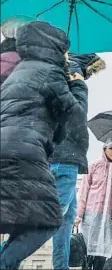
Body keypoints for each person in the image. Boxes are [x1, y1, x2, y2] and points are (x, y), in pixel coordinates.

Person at [0, 21, 86, 269]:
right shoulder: (51, 71)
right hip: (26, 152)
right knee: (48, 220)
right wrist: (78, 84)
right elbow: (75, 121)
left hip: (8, 148)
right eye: (65, 51)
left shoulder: (18, 71)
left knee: (18, 219)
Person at [50, 53, 105, 270]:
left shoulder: (57, 82)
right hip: (65, 158)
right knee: (49, 221)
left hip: (67, 158)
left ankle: (60, 267)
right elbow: (77, 116)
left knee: (63, 225)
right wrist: (80, 85)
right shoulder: (72, 81)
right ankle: (6, 254)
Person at [74, 140, 112, 270]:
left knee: (102, 251)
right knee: (89, 250)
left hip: (108, 217)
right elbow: (84, 191)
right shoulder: (94, 166)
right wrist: (79, 215)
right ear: (104, 149)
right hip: (92, 214)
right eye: (111, 148)